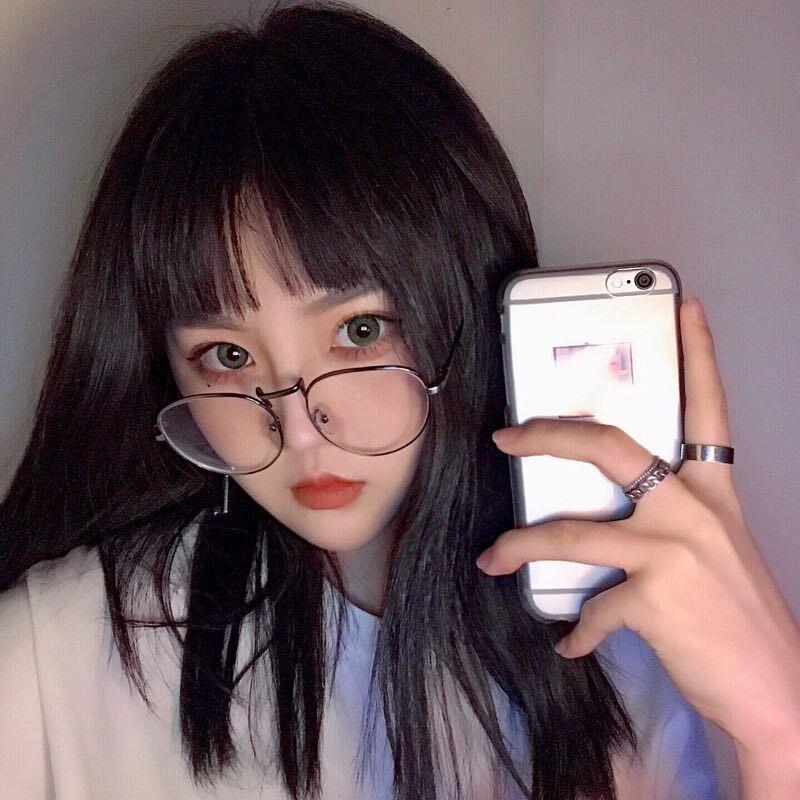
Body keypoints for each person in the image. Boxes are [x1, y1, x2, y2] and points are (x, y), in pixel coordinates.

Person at [1, 2, 798, 798]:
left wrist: (778, 726)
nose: (300, 430)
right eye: (229, 356)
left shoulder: (610, 642)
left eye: (359, 331)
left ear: (464, 309)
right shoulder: (50, 661)